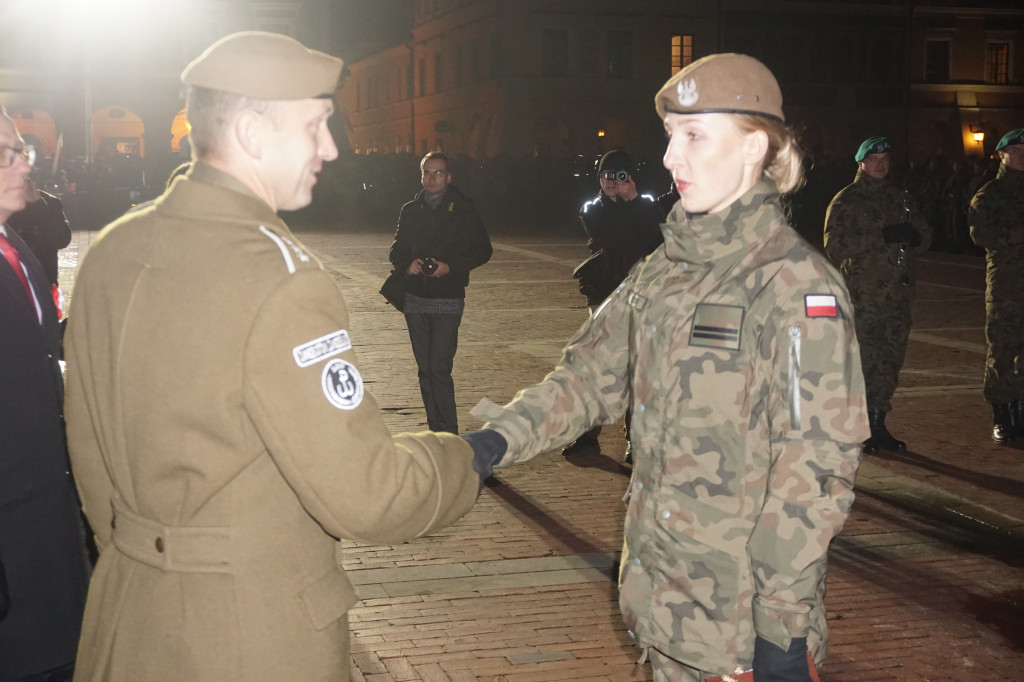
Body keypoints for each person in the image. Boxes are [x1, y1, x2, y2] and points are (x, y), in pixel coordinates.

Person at [63, 32, 480, 682]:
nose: (330, 148)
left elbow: (91, 467)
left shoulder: (113, 251)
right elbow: (369, 495)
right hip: (249, 639)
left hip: (129, 619)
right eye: (315, 125)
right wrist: (469, 455)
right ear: (254, 133)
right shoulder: (283, 280)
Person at [461, 53, 868, 681]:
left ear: (754, 146)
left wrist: (782, 629)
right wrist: (493, 441)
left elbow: (813, 471)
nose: (672, 157)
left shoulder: (795, 286)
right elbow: (587, 378)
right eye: (671, 137)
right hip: (660, 610)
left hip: (738, 633)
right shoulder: (664, 270)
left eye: (695, 135)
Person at [0, 107, 89, 682]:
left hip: (43, 523)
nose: (22, 163)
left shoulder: (15, 246)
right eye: (7, 153)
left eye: (20, 150)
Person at [823, 136, 931, 454]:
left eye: (885, 159)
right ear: (861, 163)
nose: (881, 165)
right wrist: (879, 236)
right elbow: (834, 245)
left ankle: (877, 424)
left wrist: (915, 237)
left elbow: (925, 236)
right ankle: (854, 427)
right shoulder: (847, 200)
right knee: (861, 363)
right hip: (863, 297)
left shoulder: (902, 199)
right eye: (874, 159)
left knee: (888, 363)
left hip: (897, 297)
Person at [563, 149, 663, 460]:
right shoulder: (593, 207)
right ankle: (587, 436)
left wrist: (633, 201)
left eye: (620, 175)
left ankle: (637, 441)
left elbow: (653, 240)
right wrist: (628, 208)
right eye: (607, 175)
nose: (612, 182)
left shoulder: (648, 204)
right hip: (605, 295)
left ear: (631, 177)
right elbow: (610, 235)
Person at [388, 151, 492, 434]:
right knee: (425, 369)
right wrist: (406, 264)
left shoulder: (463, 208)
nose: (431, 178)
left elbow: (484, 250)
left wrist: (451, 267)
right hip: (415, 297)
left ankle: (449, 432)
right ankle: (436, 429)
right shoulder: (411, 209)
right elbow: (396, 248)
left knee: (439, 367)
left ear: (449, 177)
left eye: (437, 173)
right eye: (426, 173)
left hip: (447, 297)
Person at [969, 128, 1024, 444]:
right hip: (1006, 285)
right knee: (1002, 349)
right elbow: (980, 234)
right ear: (1001, 155)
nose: (1022, 157)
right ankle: (1002, 415)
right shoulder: (989, 194)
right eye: (1015, 151)